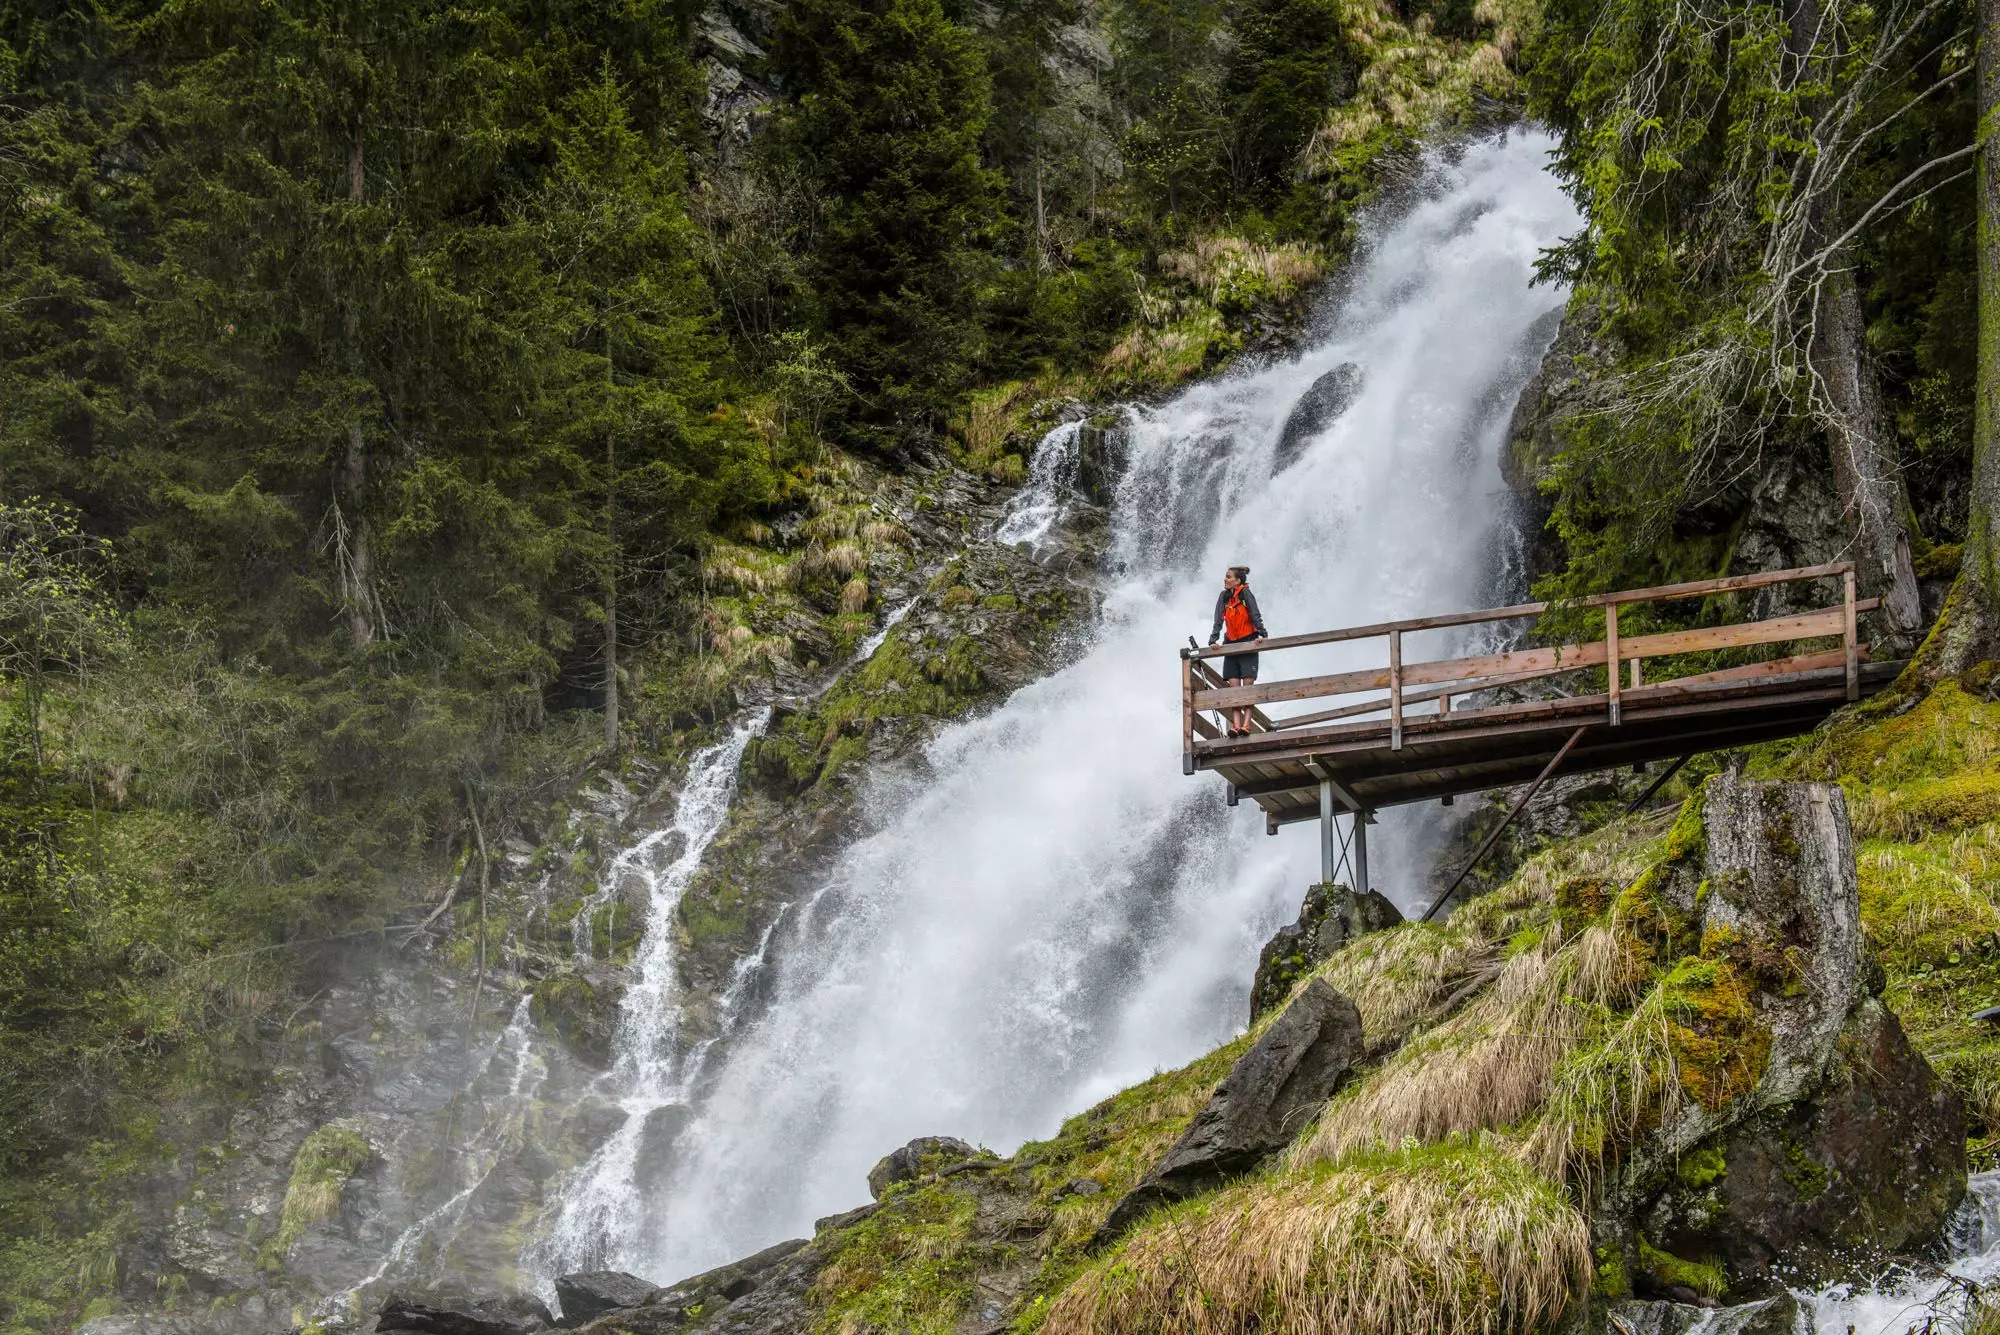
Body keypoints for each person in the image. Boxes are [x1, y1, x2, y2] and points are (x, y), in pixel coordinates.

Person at [1208, 565, 1268, 738]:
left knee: (1247, 689)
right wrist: (1213, 640)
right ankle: (1235, 726)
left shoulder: (1245, 594)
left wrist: (1262, 634)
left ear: (1238, 580)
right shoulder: (1224, 596)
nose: (1225, 580)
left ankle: (1246, 725)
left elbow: (1255, 614)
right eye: (1225, 577)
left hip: (1248, 643)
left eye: (1228, 577)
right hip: (1231, 645)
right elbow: (1218, 618)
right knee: (1234, 690)